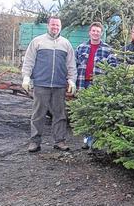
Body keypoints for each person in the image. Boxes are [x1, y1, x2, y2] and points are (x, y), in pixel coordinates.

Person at [22, 16, 77, 152]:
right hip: (41, 84)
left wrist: (71, 80)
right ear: (48, 26)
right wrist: (26, 77)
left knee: (60, 114)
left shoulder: (66, 44)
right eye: (53, 25)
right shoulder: (37, 42)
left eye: (57, 25)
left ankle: (60, 141)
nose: (55, 27)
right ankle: (35, 141)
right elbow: (29, 61)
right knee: (38, 114)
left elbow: (71, 65)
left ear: (61, 27)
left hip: (59, 85)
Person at [75, 21, 117, 149]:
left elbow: (113, 68)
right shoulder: (81, 48)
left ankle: (95, 140)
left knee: (97, 112)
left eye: (98, 31)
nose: (95, 33)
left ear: (101, 33)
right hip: (83, 83)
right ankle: (86, 138)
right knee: (85, 112)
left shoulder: (108, 49)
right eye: (93, 31)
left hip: (98, 85)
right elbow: (73, 66)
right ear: (89, 32)